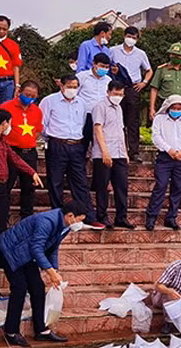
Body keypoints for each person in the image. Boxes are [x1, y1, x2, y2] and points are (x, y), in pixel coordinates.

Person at [0, 200, 87, 347]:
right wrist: (50, 272)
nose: (79, 223)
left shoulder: (65, 226)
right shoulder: (47, 221)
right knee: (19, 288)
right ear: (70, 216)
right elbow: (36, 248)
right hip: (11, 251)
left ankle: (41, 331)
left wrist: (55, 269)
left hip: (27, 254)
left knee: (37, 288)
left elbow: (53, 248)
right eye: (79, 220)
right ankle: (11, 332)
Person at [39, 75, 105, 229]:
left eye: (75, 86)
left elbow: (82, 123)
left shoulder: (81, 103)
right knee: (56, 181)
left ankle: (87, 216)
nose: (72, 89)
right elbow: (42, 124)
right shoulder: (49, 101)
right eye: (69, 86)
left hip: (76, 145)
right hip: (57, 143)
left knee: (80, 182)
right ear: (61, 85)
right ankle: (58, 216)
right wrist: (51, 140)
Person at [0, 109, 43, 269]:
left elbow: (14, 158)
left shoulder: (1, 139)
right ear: (4, 123)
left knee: (1, 222)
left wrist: (32, 172)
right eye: (9, 122)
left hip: (2, 185)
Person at [145, 95, 181, 231]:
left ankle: (171, 217)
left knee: (178, 187)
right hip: (165, 158)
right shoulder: (159, 119)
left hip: (180, 158)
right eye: (174, 108)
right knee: (160, 186)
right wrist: (169, 150)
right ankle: (151, 217)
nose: (176, 110)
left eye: (179, 108)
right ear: (168, 107)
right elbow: (156, 137)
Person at [92, 80, 134, 229]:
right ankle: (102, 216)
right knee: (102, 186)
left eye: (121, 94)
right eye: (116, 94)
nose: (118, 96)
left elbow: (121, 130)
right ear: (108, 92)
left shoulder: (118, 108)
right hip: (104, 153)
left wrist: (125, 152)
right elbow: (98, 129)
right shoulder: (100, 106)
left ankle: (121, 217)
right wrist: (105, 151)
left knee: (121, 186)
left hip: (119, 153)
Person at [0, 80, 43, 219]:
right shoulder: (6, 107)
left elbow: (38, 131)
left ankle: (26, 218)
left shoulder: (37, 110)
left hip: (29, 152)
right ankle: (2, 216)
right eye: (27, 94)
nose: (29, 98)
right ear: (19, 92)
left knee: (29, 187)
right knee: (7, 185)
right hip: (11, 151)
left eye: (33, 96)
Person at [111, 26, 153, 161]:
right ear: (124, 36)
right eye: (129, 36)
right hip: (117, 87)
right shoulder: (113, 51)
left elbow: (149, 70)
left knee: (133, 121)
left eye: (134, 38)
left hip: (132, 88)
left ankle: (134, 151)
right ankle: (118, 149)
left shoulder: (140, 54)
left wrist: (144, 83)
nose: (131, 40)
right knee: (116, 119)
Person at [149, 43, 181, 122]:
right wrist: (152, 108)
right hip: (164, 104)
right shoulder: (161, 70)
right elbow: (154, 89)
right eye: (173, 55)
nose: (175, 57)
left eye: (178, 55)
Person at [77, 52, 113, 145]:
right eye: (102, 66)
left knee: (99, 143)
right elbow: (74, 94)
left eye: (106, 67)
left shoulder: (108, 80)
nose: (104, 69)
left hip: (101, 116)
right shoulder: (82, 77)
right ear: (94, 64)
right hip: (85, 115)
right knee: (83, 143)